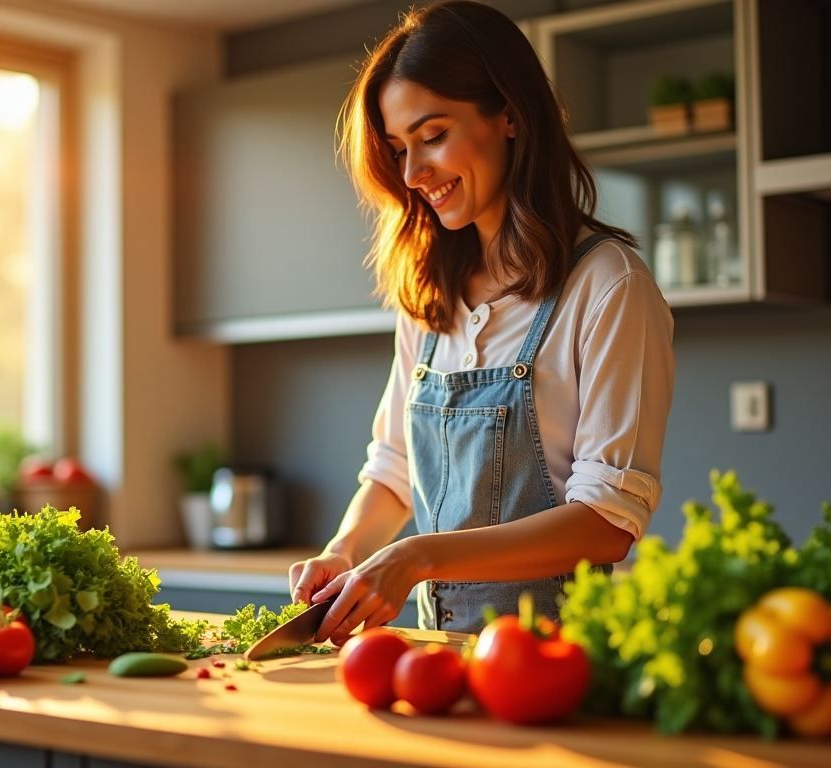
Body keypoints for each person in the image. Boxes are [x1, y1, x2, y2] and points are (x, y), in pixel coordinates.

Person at [288, 0, 675, 644]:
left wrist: (418, 557)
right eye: (398, 149)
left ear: (510, 115)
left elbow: (606, 523)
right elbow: (394, 470)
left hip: (555, 661)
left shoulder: (609, 285)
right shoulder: (429, 292)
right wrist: (345, 550)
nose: (412, 173)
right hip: (438, 655)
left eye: (433, 136)